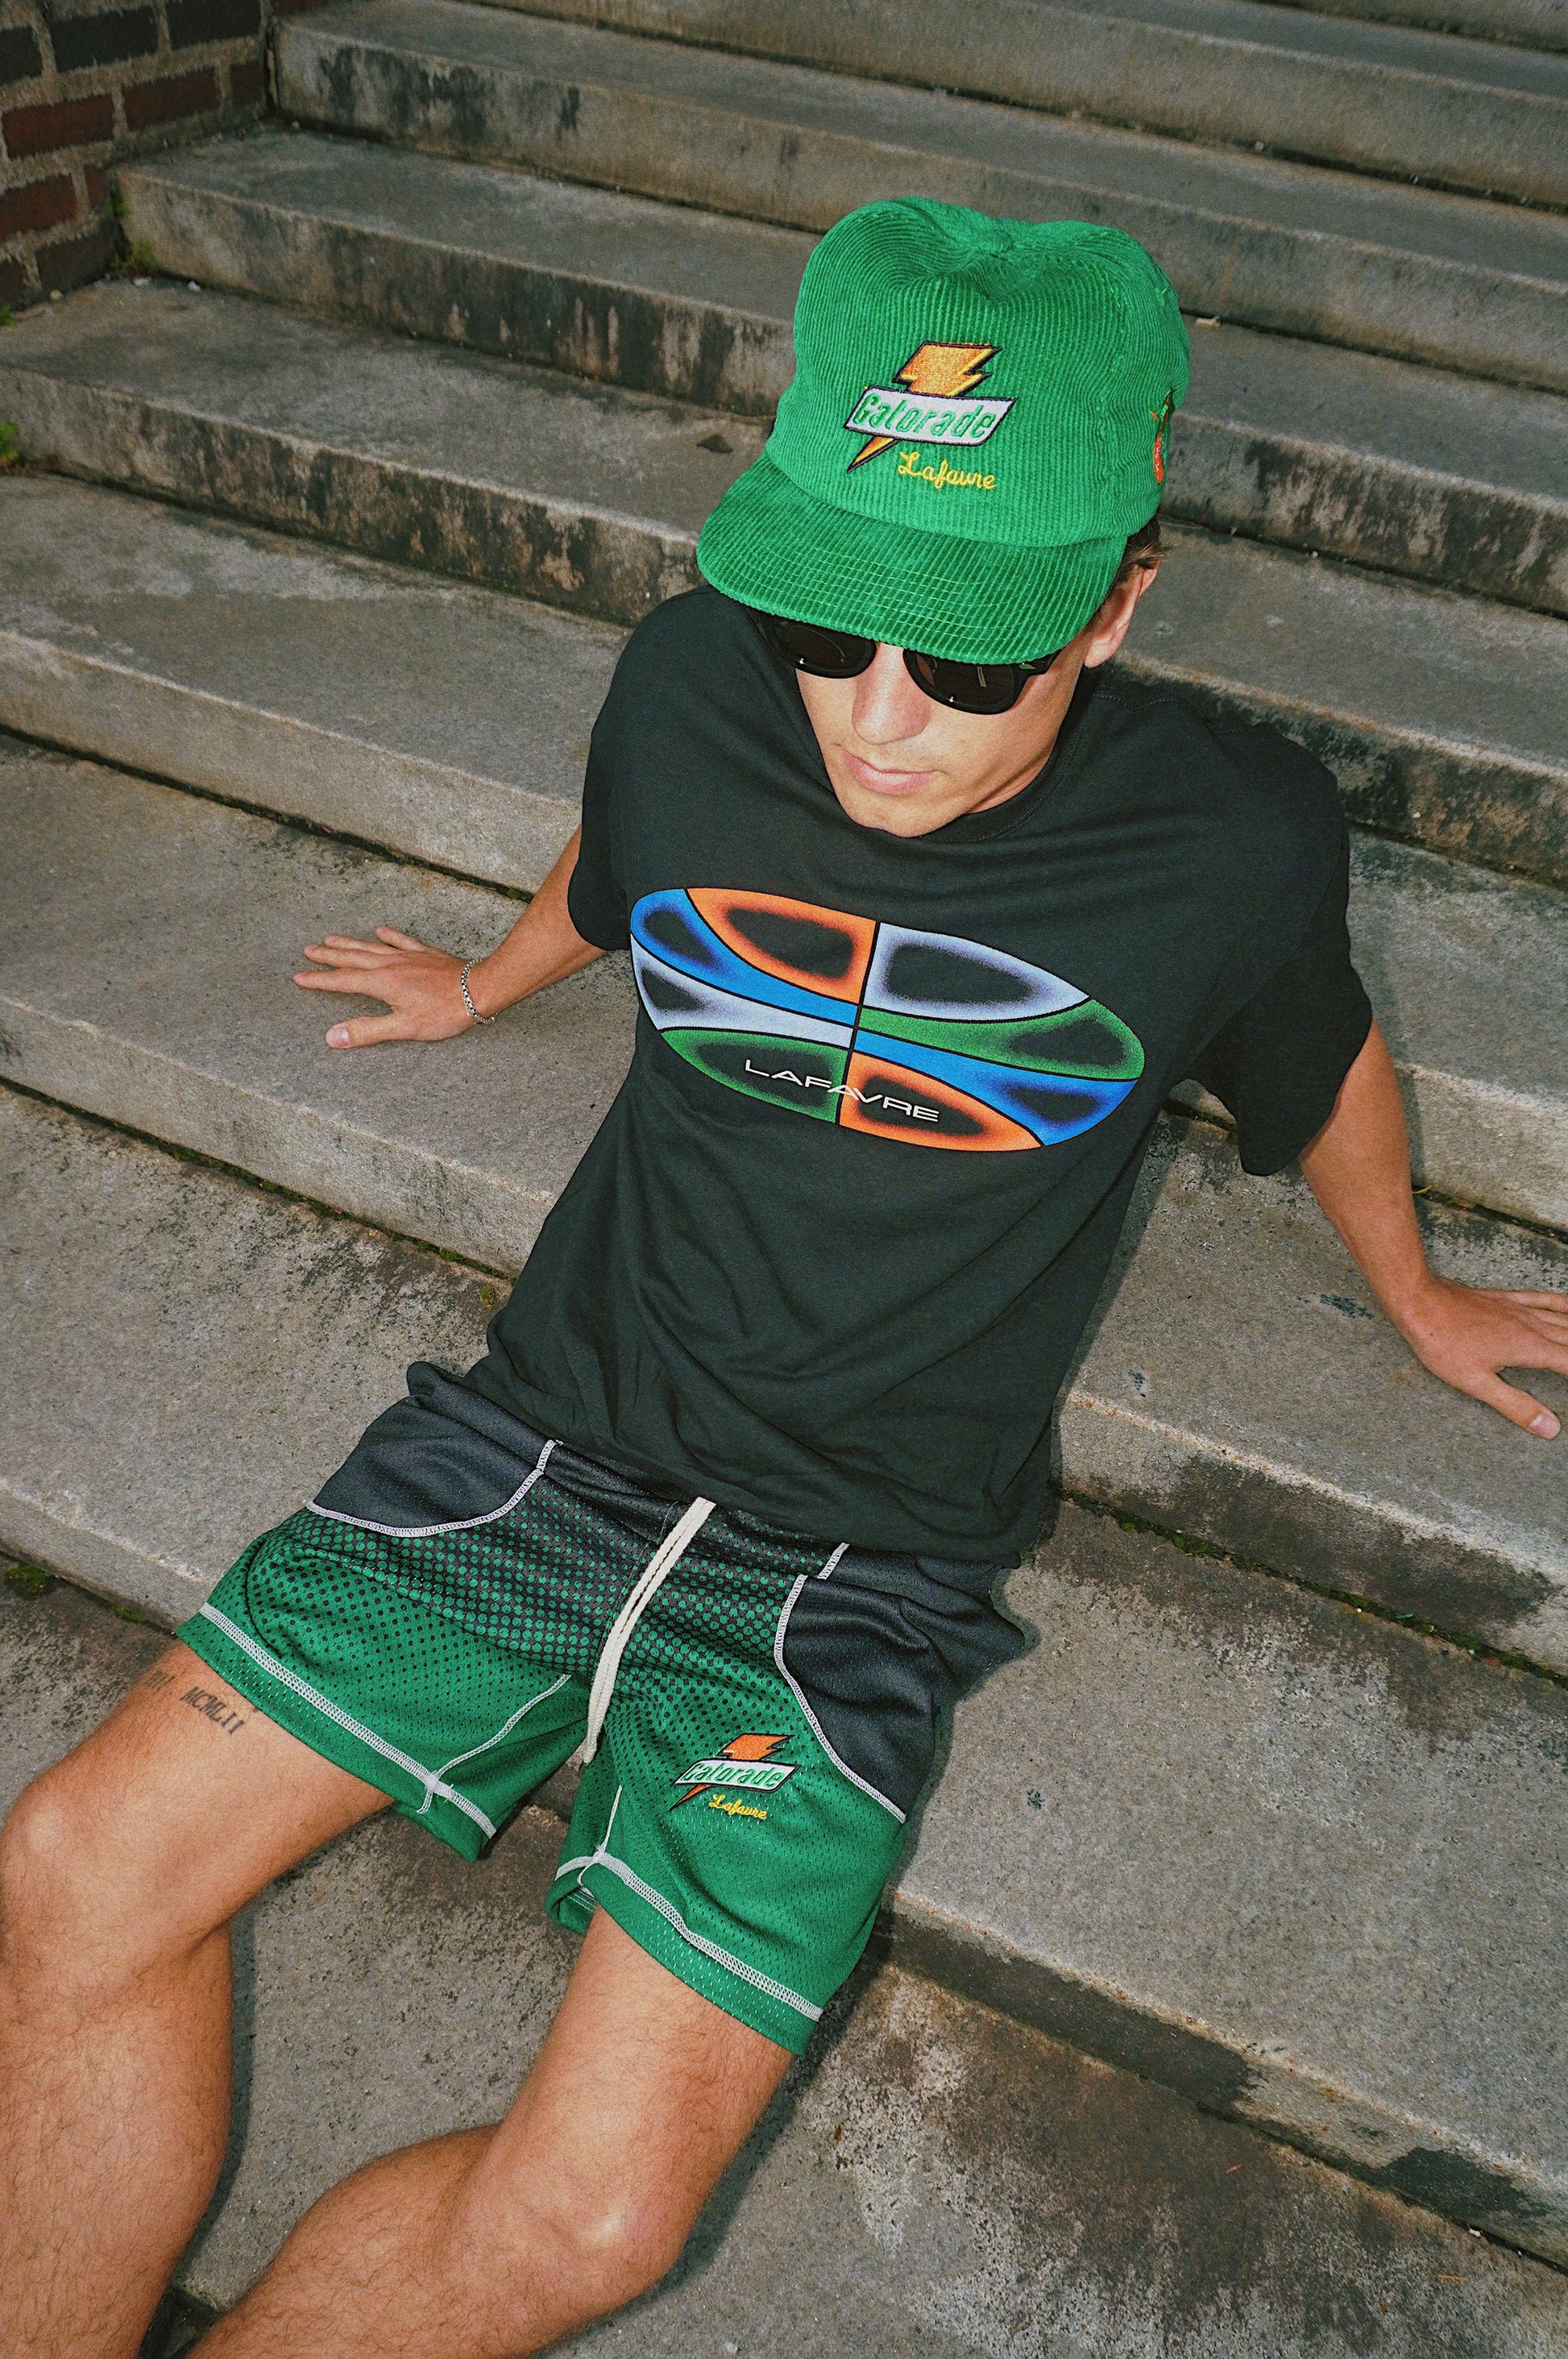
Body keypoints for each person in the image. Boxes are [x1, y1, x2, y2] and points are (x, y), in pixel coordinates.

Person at [3, 199, 1565, 2359]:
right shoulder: (690, 681)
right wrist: (491, 978)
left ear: (1118, 603)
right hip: (538, 1444)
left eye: (972, 659)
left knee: (593, 2221)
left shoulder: (1228, 838)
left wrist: (1416, 1292)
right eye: (832, 624)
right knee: (75, 1868)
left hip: (851, 1574)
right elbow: (633, 845)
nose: (880, 719)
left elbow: (1323, 1056)